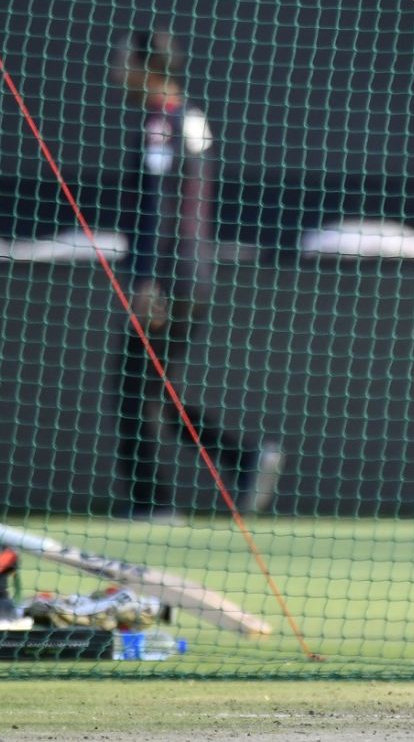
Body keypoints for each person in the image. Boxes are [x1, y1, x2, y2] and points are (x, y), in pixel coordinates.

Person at [109, 26, 283, 521]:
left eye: (123, 61)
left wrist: (146, 281)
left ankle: (153, 505)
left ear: (148, 68)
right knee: (151, 390)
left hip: (170, 278)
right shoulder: (190, 117)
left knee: (132, 388)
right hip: (193, 274)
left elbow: (161, 208)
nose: (115, 71)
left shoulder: (162, 124)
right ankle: (243, 458)